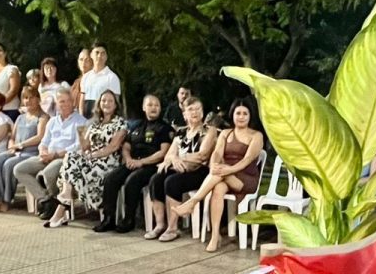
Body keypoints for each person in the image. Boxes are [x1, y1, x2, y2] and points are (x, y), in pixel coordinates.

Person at [173, 97, 264, 252]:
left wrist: (228, 170)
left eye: (244, 113)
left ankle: (193, 202)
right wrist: (214, 164)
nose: (241, 117)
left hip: (246, 178)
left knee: (221, 175)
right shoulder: (226, 133)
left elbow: (248, 159)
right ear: (232, 115)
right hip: (224, 173)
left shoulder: (256, 136)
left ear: (250, 116)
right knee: (218, 189)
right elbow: (216, 153)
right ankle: (215, 236)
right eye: (238, 113)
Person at [47, 90, 127, 227]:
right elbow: (85, 148)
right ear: (99, 104)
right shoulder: (95, 123)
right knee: (71, 156)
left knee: (71, 170)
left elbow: (113, 147)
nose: (106, 103)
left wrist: (92, 155)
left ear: (115, 105)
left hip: (108, 162)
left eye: (110, 101)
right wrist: (81, 136)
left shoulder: (120, 123)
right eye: (103, 101)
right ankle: (66, 195)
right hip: (91, 159)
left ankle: (61, 209)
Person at [96, 94, 173, 233]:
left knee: (132, 180)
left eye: (156, 105)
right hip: (132, 161)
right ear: (144, 107)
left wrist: (141, 162)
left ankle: (129, 219)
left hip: (151, 165)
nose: (153, 108)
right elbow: (126, 146)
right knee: (111, 178)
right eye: (150, 105)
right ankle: (108, 219)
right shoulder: (137, 126)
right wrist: (129, 159)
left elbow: (163, 152)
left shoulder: (164, 128)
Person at [146, 97, 217, 240]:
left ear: (203, 113)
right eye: (191, 109)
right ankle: (160, 225)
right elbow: (168, 156)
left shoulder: (209, 131)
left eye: (198, 109)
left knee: (172, 182)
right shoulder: (180, 132)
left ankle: (173, 228)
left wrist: (178, 157)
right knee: (156, 179)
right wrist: (173, 158)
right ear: (184, 114)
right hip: (179, 169)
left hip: (200, 172)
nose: (195, 112)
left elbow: (201, 156)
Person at [14, 88, 86, 220]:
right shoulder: (52, 121)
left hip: (65, 158)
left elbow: (78, 146)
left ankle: (55, 202)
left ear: (72, 102)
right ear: (56, 104)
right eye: (60, 102)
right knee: (19, 169)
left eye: (66, 101)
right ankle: (46, 200)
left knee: (47, 173)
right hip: (47, 156)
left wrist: (55, 155)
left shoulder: (81, 121)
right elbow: (44, 141)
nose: (63, 105)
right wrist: (43, 151)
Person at [0, 85, 48, 212]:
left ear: (38, 99)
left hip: (31, 153)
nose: (28, 101)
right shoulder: (20, 118)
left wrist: (21, 145)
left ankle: (7, 199)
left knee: (9, 164)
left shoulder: (43, 117)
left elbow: (40, 136)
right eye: (25, 98)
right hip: (16, 151)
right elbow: (12, 136)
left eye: (32, 97)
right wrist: (11, 144)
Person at [79, 44, 120, 119]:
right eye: (97, 53)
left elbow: (115, 103)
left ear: (106, 57)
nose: (99, 56)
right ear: (91, 55)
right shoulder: (86, 77)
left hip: (103, 120)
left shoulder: (112, 78)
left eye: (103, 53)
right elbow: (82, 101)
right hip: (86, 120)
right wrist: (81, 119)